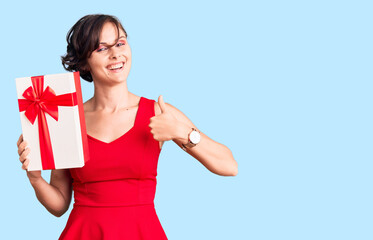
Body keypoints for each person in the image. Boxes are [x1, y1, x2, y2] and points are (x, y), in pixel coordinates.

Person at [16, 14, 238, 240]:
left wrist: (182, 132)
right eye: (102, 48)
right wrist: (35, 179)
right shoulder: (66, 118)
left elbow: (229, 166)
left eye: (120, 43)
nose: (116, 54)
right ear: (84, 62)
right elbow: (59, 204)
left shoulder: (157, 112)